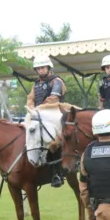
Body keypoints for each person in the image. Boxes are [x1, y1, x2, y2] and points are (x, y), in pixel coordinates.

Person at [27, 55, 67, 188]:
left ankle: (57, 174)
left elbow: (53, 99)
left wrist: (38, 110)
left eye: (42, 67)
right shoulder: (36, 84)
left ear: (48, 67)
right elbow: (30, 99)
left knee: (54, 144)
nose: (40, 70)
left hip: (55, 118)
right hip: (39, 117)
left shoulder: (56, 81)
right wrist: (32, 109)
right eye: (38, 68)